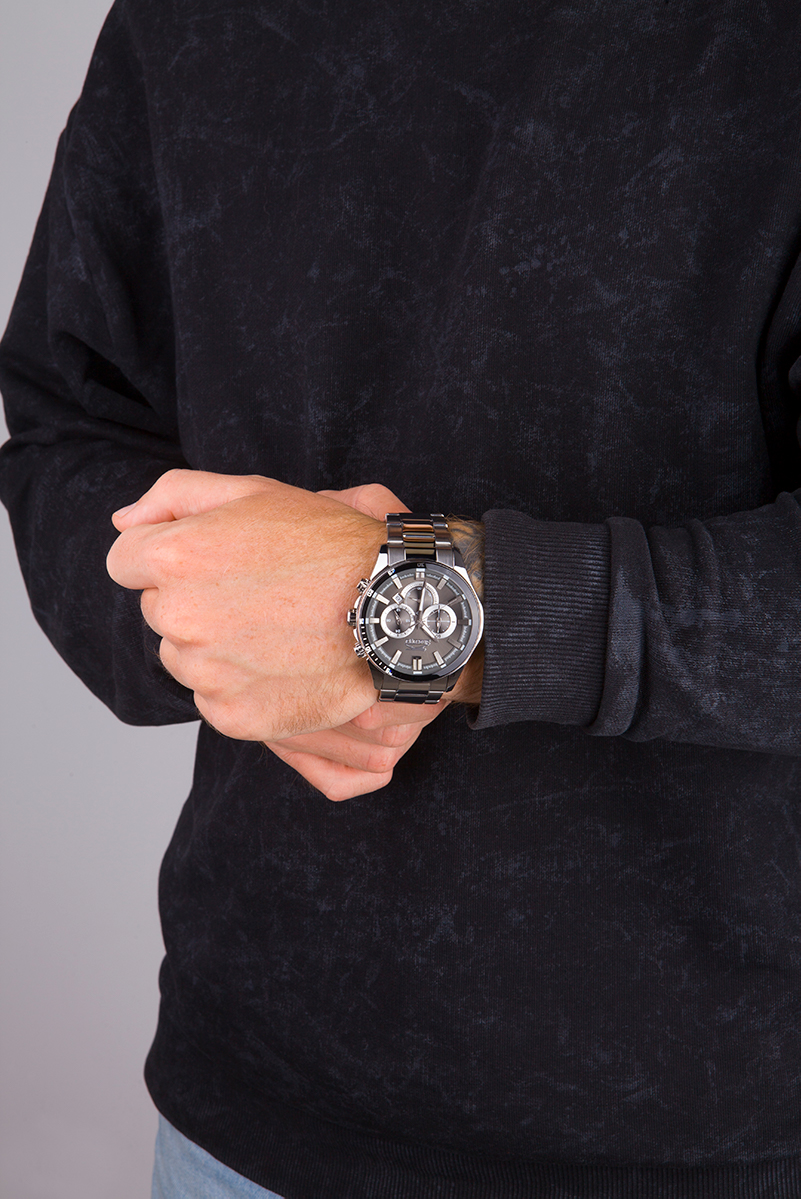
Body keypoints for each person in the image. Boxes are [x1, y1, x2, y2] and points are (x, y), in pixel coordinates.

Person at [2, 0, 801, 1195]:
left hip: (720, 1130)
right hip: (246, 1107)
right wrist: (215, 620)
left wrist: (430, 607)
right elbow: (70, 421)